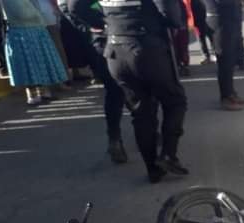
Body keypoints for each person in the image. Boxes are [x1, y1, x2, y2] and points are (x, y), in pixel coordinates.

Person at [70, 0, 189, 183]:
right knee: (175, 101)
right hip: (147, 46)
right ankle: (168, 154)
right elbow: (170, 14)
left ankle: (153, 169)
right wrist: (169, 22)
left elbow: (75, 7)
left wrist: (104, 22)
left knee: (141, 111)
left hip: (115, 49)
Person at [58, 0, 128, 163]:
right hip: (113, 36)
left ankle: (116, 138)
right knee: (130, 90)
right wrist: (92, 26)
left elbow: (70, 9)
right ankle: (123, 137)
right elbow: (71, 8)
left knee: (116, 92)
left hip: (105, 38)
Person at [0, 0, 67, 104]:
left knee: (41, 60)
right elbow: (20, 12)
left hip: (36, 26)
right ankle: (32, 94)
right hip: (20, 28)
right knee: (27, 62)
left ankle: (44, 91)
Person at [203, 0, 244, 110]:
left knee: (230, 59)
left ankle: (231, 93)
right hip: (219, 18)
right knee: (224, 61)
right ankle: (226, 97)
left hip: (229, 17)